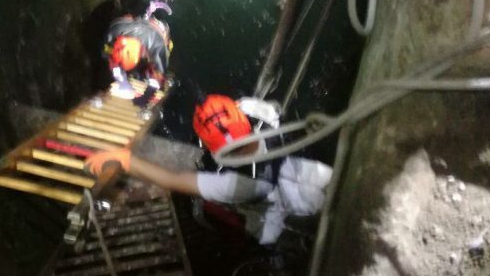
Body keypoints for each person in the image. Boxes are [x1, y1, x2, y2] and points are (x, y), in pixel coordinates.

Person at [85, 94, 331, 245]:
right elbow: (254, 109)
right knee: (329, 182)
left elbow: (173, 180)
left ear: (214, 149)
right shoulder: (258, 112)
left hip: (283, 207)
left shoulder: (232, 185)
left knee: (210, 208)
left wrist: (126, 159)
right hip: (303, 168)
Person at [104, 0, 173, 107]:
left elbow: (158, 75)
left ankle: (147, 71)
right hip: (134, 27)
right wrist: (122, 82)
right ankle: (133, 71)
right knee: (114, 59)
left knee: (158, 68)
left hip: (158, 34)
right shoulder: (114, 31)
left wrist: (146, 97)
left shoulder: (158, 46)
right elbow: (108, 55)